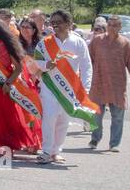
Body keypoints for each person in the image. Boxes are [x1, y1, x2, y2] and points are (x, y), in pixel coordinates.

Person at [35, 9, 94, 165]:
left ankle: (56, 151)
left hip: (69, 88)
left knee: (63, 120)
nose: (55, 26)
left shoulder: (78, 42)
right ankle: (46, 151)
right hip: (49, 87)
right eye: (52, 23)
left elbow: (86, 66)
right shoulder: (45, 43)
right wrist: (45, 65)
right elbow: (35, 62)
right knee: (49, 118)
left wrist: (85, 88)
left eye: (58, 23)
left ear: (68, 24)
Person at [0, 15, 36, 158]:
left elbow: (18, 68)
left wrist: (8, 83)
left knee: (5, 116)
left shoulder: (7, 44)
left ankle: (8, 147)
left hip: (3, 85)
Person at [87, 14, 130, 152]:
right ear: (107, 26)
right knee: (95, 116)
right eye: (110, 25)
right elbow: (88, 60)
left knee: (117, 117)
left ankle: (114, 143)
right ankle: (95, 138)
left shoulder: (126, 43)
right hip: (98, 83)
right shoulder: (97, 41)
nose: (112, 28)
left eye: (115, 25)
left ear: (120, 27)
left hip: (117, 86)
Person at [15, 17, 44, 153]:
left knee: (36, 111)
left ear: (34, 30)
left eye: (28, 27)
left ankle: (36, 141)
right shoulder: (16, 44)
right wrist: (21, 77)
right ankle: (27, 140)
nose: (25, 30)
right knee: (24, 112)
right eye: (23, 27)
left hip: (38, 81)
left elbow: (45, 63)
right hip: (21, 81)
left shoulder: (40, 44)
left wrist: (34, 76)